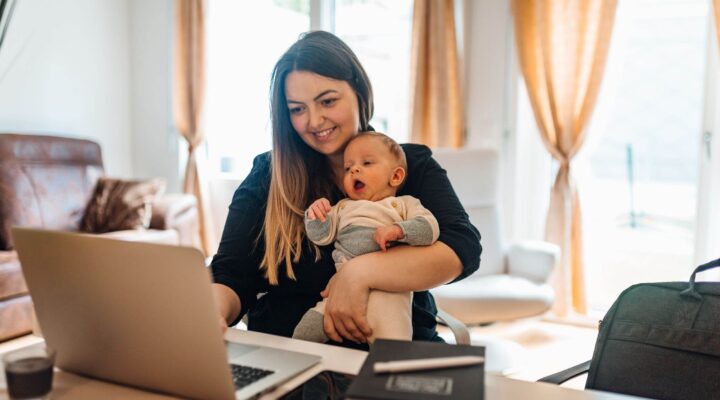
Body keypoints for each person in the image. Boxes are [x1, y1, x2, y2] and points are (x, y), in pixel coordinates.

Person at [210, 30, 481, 347]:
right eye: (297, 109)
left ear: (359, 91)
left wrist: (358, 274)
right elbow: (230, 275)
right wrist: (211, 314)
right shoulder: (268, 175)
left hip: (396, 353)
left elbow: (462, 248)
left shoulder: (408, 165)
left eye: (327, 101)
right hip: (292, 353)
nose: (314, 121)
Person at [293, 131, 440, 344]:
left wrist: (400, 230)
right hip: (341, 290)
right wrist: (316, 215)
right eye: (347, 167)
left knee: (392, 347)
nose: (354, 169)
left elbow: (429, 228)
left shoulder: (404, 204)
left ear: (395, 176)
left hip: (389, 290)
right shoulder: (343, 207)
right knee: (306, 332)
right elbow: (321, 237)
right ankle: (301, 360)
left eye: (367, 163)